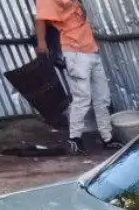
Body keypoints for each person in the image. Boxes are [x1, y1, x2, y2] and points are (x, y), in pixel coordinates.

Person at [34, 0, 121, 154]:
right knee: (82, 98)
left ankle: (107, 138)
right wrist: (42, 45)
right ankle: (74, 138)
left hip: (91, 49)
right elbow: (40, 19)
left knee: (102, 98)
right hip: (74, 51)